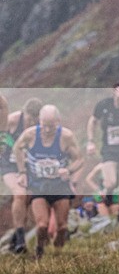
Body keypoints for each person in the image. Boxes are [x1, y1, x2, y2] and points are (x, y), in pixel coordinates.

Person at [12, 105, 83, 259]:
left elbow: (79, 159)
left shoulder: (66, 136)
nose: (48, 129)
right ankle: (39, 249)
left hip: (59, 187)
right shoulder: (30, 135)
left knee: (63, 227)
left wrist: (69, 171)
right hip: (39, 187)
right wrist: (22, 172)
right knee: (42, 224)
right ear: (39, 120)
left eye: (51, 126)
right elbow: (17, 148)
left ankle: (56, 255)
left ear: (58, 122)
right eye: (44, 125)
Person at [86, 82, 119, 223]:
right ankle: (107, 201)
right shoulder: (104, 105)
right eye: (118, 95)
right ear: (113, 94)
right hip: (109, 150)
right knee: (110, 184)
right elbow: (92, 121)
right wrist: (90, 141)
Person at [1, 97, 43, 254]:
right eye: (30, 119)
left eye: (36, 120)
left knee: (30, 200)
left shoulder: (41, 127)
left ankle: (15, 237)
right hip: (8, 165)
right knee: (20, 195)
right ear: (24, 113)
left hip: (28, 166)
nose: (32, 123)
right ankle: (19, 239)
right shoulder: (13, 120)